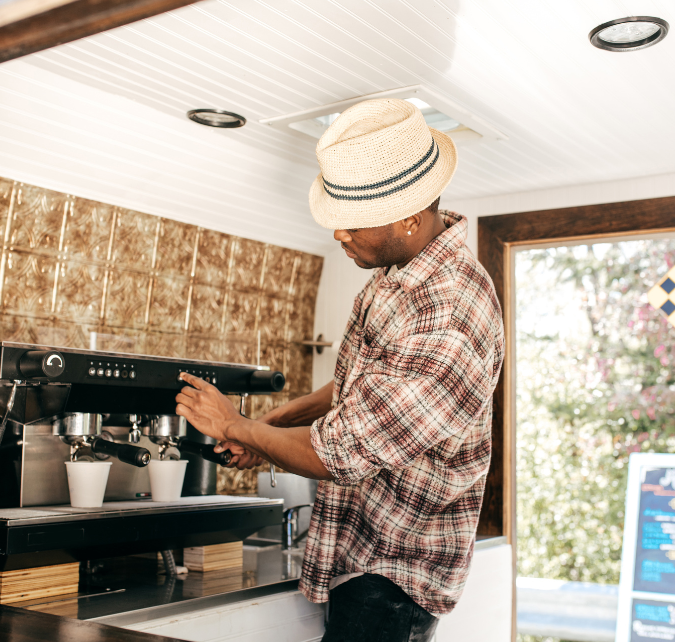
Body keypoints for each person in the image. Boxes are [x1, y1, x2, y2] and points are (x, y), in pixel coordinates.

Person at [176, 98, 505, 642]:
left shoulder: (448, 313)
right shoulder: (401, 274)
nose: (338, 236)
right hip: (365, 557)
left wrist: (236, 425)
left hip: (394, 572)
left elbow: (345, 452)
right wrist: (277, 426)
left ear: (409, 216)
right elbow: (366, 385)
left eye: (351, 223)